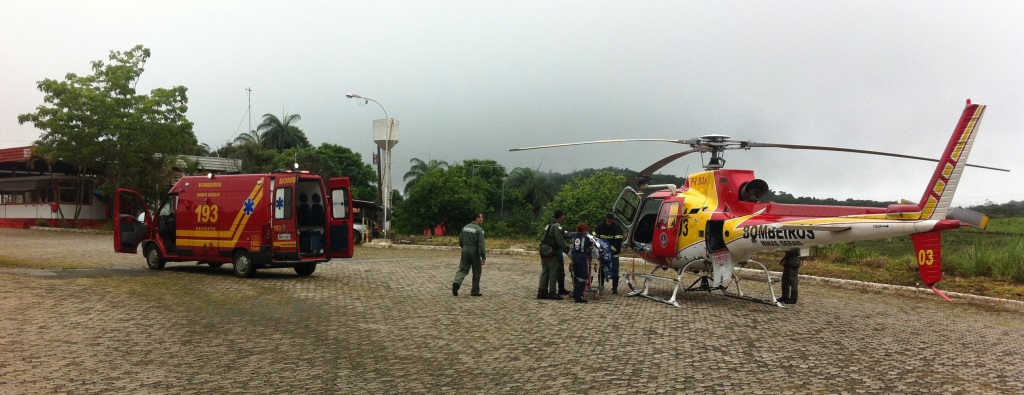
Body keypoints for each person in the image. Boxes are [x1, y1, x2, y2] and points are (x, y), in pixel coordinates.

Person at [537, 210, 569, 300]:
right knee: (553, 270)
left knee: (545, 271)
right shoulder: (557, 226)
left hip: (543, 249)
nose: (564, 217)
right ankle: (552, 292)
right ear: (560, 216)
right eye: (563, 216)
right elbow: (560, 241)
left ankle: (542, 291)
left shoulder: (548, 225)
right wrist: (568, 250)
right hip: (550, 250)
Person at [452, 213, 486, 297]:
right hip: (474, 251)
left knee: (462, 269)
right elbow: (481, 244)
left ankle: (456, 283)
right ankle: (475, 291)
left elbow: (460, 240)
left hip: (465, 249)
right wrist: (483, 256)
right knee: (477, 271)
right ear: (477, 218)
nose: (482, 219)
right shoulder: (479, 230)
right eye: (481, 218)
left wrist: (464, 247)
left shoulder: (465, 227)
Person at [594, 213, 624, 294]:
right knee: (602, 270)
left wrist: (610, 251)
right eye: (608, 221)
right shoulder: (600, 226)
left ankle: (614, 289)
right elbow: (594, 237)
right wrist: (599, 248)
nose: (609, 223)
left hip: (614, 254)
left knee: (614, 271)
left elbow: (618, 242)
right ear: (605, 219)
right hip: (603, 254)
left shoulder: (617, 228)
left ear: (613, 220)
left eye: (611, 221)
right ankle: (601, 286)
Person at [569, 222, 595, 303]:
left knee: (576, 275)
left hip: (574, 257)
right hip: (582, 257)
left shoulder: (574, 237)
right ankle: (578, 295)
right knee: (583, 276)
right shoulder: (586, 238)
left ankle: (575, 293)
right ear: (584, 230)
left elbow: (572, 248)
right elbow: (592, 244)